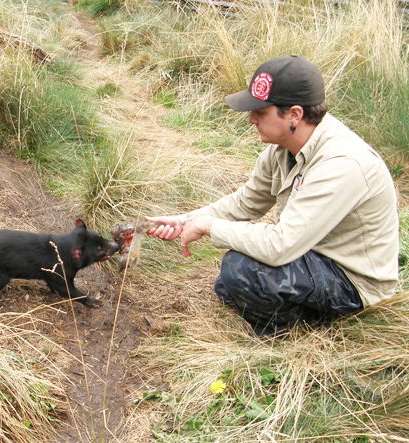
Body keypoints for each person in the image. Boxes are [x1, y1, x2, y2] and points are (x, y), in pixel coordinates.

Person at [146, 55, 399, 337]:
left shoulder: (342, 164)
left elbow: (281, 245)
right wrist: (185, 220)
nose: (251, 119)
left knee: (242, 270)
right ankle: (299, 313)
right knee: (230, 284)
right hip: (312, 251)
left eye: (261, 112)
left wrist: (209, 227)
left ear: (294, 114)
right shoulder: (282, 147)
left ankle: (289, 334)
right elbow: (247, 202)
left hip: (353, 281)